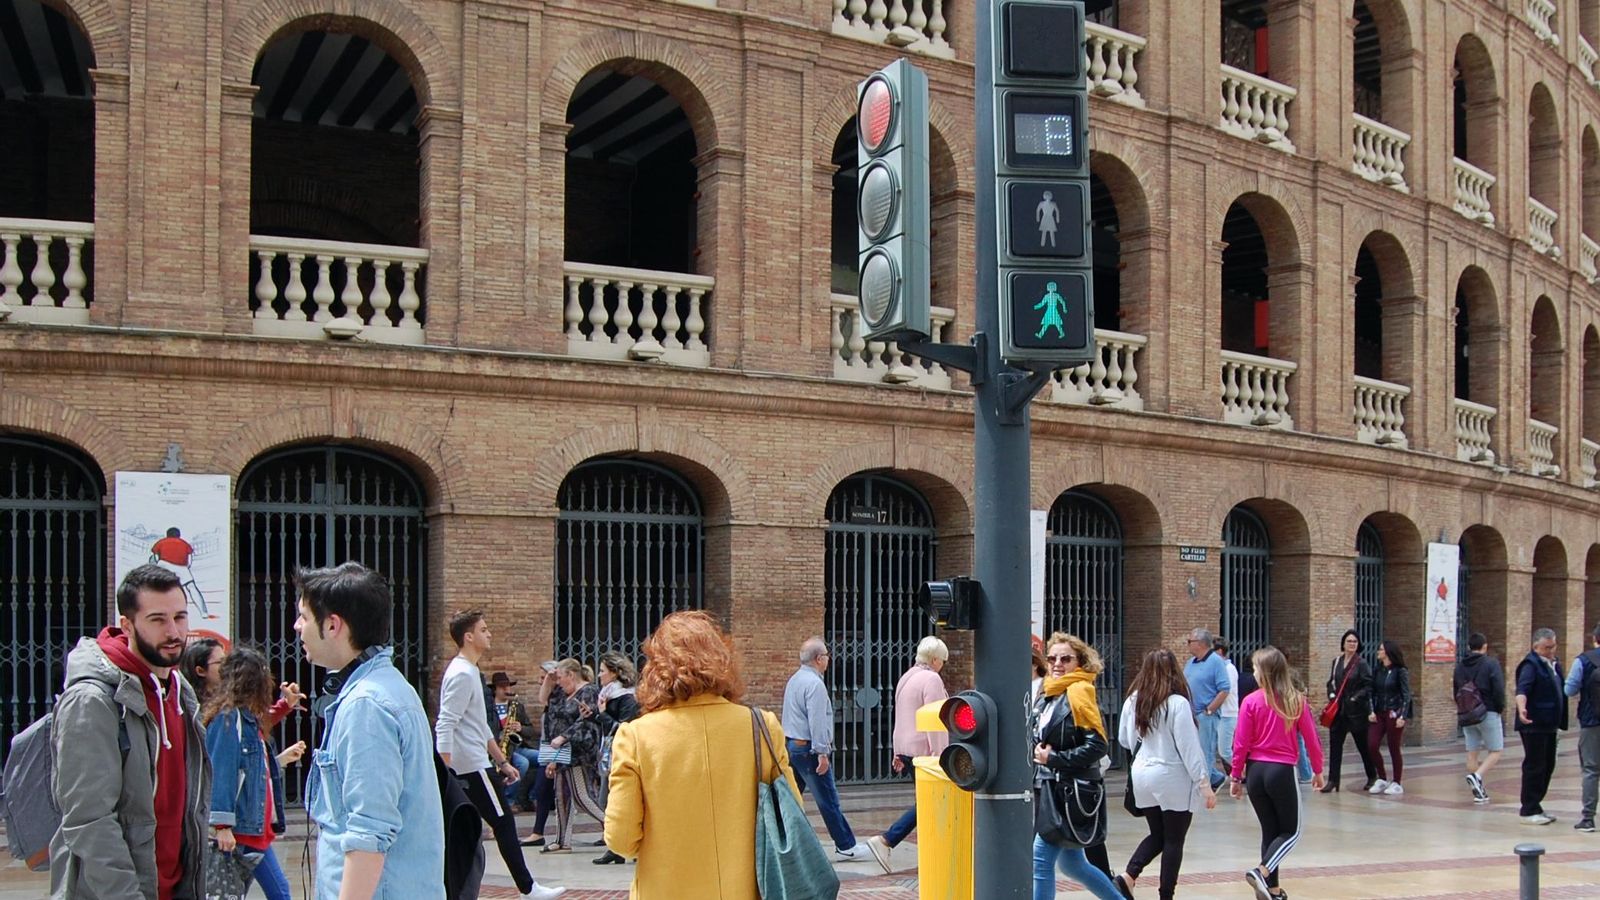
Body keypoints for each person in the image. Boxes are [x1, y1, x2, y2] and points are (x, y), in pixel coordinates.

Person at [603, 610, 802, 898]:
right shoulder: (761, 726)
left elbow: (621, 840)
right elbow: (792, 811)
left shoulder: (635, 736)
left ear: (656, 668)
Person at [49, 564, 211, 900]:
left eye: (180, 617)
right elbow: (89, 820)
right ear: (127, 625)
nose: (174, 632)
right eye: (157, 620)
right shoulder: (93, 700)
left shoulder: (180, 691)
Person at [293, 561, 444, 900]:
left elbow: (369, 833)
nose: (297, 626)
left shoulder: (367, 706)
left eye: (304, 616)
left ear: (333, 625)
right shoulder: (384, 688)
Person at [437, 610, 564, 900]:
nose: (489, 633)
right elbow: (446, 723)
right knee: (503, 823)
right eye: (483, 630)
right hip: (470, 766)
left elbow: (479, 725)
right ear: (468, 637)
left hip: (475, 763)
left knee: (464, 830)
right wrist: (445, 771)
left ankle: (454, 891)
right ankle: (528, 889)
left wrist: (503, 761)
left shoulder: (469, 672)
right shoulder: (461, 673)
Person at [203, 645, 308, 900]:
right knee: (279, 892)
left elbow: (262, 721)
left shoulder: (243, 718)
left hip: (252, 829)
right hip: (242, 830)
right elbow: (222, 771)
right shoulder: (228, 720)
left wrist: (285, 705)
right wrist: (222, 825)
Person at [1114, 648, 1216, 900]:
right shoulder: (1178, 703)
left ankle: (1129, 875)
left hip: (1141, 774)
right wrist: (1204, 783)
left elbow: (1124, 740)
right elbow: (1189, 748)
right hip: (1171, 776)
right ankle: (1166, 895)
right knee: (1174, 839)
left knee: (1158, 834)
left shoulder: (1133, 700)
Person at [1031, 632, 1122, 900]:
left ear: (1079, 662)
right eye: (1052, 658)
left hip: (1069, 791)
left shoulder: (1080, 691)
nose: (1057, 664)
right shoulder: (1049, 692)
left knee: (1040, 859)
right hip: (1050, 787)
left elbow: (1098, 745)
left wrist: (1055, 759)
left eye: (1065, 659)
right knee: (1074, 865)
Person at [1229, 645, 1325, 900]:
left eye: (1256, 669)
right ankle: (1262, 871)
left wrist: (1236, 776)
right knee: (1291, 832)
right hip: (1280, 771)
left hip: (1256, 773)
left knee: (1271, 832)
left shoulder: (1250, 701)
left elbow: (1240, 742)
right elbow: (1311, 739)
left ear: (1266, 672)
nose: (1254, 673)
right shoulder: (1296, 700)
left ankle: (1271, 889)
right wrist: (1317, 770)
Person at [867, 636, 950, 874]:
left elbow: (901, 717)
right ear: (935, 659)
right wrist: (939, 756)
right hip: (925, 752)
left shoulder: (907, 677)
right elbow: (935, 720)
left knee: (928, 802)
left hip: (905, 748)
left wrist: (896, 751)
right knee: (930, 801)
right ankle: (886, 840)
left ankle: (926, 847)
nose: (942, 665)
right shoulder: (931, 679)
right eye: (942, 660)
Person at [782, 636, 870, 859]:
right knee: (828, 799)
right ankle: (846, 845)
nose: (829, 660)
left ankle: (779, 839)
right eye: (827, 656)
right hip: (809, 749)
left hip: (793, 746)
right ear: (819, 658)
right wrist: (822, 752)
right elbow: (817, 720)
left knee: (791, 798)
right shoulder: (814, 684)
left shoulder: (794, 680)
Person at [542, 658, 607, 853]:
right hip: (562, 753)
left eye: (561, 677)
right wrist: (549, 679)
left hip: (579, 752)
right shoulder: (562, 694)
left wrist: (563, 737)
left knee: (582, 795)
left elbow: (585, 722)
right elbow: (543, 699)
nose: (559, 681)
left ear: (571, 675)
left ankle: (615, 826)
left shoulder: (588, 691)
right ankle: (563, 841)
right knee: (561, 796)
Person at [1515, 627, 1568, 825]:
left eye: (1553, 646)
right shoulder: (1530, 665)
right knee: (1535, 765)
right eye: (1547, 647)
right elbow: (1523, 689)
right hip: (1534, 724)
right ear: (1535, 646)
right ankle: (1528, 809)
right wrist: (1522, 709)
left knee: (1548, 764)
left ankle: (1536, 805)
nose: (1551, 650)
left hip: (1550, 724)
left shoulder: (1553, 664)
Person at [592, 651, 641, 865]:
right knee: (606, 800)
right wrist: (595, 715)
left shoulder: (627, 697)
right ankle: (615, 848)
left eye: (602, 671)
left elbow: (623, 728)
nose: (599, 675)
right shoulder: (608, 695)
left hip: (623, 756)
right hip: (608, 754)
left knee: (613, 800)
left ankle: (623, 846)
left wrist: (602, 714)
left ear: (614, 673)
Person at [1454, 631, 1507, 804]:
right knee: (1496, 750)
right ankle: (1477, 776)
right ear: (1485, 647)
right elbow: (1498, 688)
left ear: (1469, 647)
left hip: (1467, 713)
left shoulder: (1460, 666)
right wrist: (1500, 707)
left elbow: (1456, 689)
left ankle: (1478, 792)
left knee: (1472, 752)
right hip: (1488, 710)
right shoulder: (1491, 664)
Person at [1321, 630, 1376, 793]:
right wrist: (1331, 694)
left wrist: (1355, 698)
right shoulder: (1337, 661)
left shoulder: (1361, 664)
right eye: (1349, 641)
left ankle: (1372, 776)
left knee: (1363, 746)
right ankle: (1332, 780)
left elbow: (1368, 686)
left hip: (1356, 713)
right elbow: (1331, 681)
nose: (1352, 644)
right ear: (1343, 643)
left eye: (1354, 642)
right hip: (1338, 712)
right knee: (1335, 746)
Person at [518, 664, 565, 847]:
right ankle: (538, 833)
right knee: (541, 790)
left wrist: (554, 758)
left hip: (556, 748)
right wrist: (547, 680)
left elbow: (560, 728)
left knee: (575, 795)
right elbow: (541, 697)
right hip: (547, 747)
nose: (540, 681)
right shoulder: (551, 699)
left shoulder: (562, 698)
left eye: (542, 677)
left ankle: (605, 825)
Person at [1182, 627, 1230, 789]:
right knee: (1194, 750)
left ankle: (1206, 786)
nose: (1187, 645)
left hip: (1205, 715)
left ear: (1201, 644)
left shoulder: (1216, 661)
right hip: (1191, 714)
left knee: (1205, 752)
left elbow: (1224, 688)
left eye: (1190, 641)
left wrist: (1210, 710)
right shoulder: (1191, 662)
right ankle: (1216, 778)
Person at [1564, 624, 1600, 832]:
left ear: (1595, 638)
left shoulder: (1583, 660)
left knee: (1590, 770)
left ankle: (1588, 818)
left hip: (1591, 721)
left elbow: (1569, 689)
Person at [1365, 640, 1411, 796]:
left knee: (1393, 747)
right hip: (1379, 712)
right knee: (1372, 744)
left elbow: (1406, 695)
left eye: (1381, 650)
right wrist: (1371, 710)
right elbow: (1371, 692)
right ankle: (1382, 777)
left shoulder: (1400, 671)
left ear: (1388, 653)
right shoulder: (1378, 670)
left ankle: (1397, 781)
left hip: (1394, 712)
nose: (1378, 652)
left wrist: (1402, 715)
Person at [492, 672, 537, 808]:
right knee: (522, 764)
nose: (507, 690)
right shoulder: (489, 708)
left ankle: (534, 797)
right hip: (499, 749)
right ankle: (508, 800)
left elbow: (531, 731)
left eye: (508, 687)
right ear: (495, 689)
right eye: (502, 687)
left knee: (545, 758)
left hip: (518, 747)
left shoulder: (516, 707)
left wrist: (521, 728)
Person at [1214, 638, 1241, 776]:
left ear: (1219, 651)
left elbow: (1224, 690)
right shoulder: (1217, 668)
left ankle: (1242, 769)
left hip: (1227, 715)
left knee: (1224, 750)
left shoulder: (1229, 669)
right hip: (1218, 715)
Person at [179, 637, 225, 707]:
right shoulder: (187, 707)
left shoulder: (229, 701)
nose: (227, 666)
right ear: (200, 671)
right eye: (221, 662)